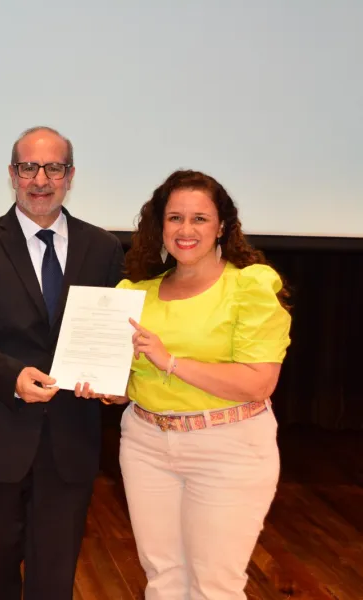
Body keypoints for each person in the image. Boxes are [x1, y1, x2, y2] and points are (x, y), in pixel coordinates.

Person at [83, 170, 292, 599]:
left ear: (222, 226)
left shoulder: (249, 284)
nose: (186, 229)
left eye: (200, 218)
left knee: (214, 585)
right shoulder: (135, 291)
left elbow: (259, 382)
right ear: (160, 226)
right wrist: (108, 387)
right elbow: (132, 381)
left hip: (228, 448)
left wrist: (172, 362)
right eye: (175, 218)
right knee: (163, 578)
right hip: (145, 445)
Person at [0, 126, 125, 600]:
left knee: (54, 583)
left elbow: (112, 334)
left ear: (70, 176)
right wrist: (13, 377)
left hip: (70, 441)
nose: (40, 180)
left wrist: (112, 379)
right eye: (29, 167)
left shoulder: (103, 248)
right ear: (12, 174)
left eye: (53, 168)